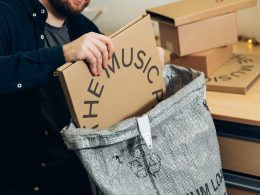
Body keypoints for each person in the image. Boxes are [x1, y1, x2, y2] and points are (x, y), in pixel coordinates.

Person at [0, 0, 164, 194]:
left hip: (77, 176)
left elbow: (112, 95)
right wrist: (62, 54)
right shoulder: (7, 14)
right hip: (24, 181)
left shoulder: (84, 27)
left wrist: (149, 63)